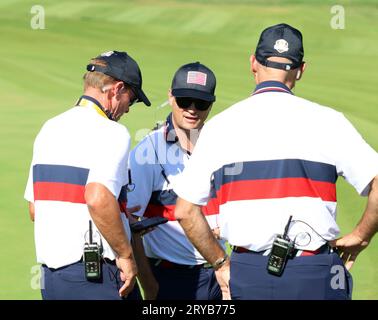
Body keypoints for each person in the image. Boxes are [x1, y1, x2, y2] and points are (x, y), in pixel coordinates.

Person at [174, 23, 378, 300]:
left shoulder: (220, 127)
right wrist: (361, 236)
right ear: (301, 69)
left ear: (253, 63)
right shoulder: (329, 121)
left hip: (248, 271)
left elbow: (185, 211)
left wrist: (221, 263)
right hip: (316, 272)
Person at [24, 50, 151, 300]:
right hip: (96, 277)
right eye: (132, 99)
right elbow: (97, 198)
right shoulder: (112, 132)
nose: (127, 109)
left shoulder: (49, 128)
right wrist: (126, 256)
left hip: (53, 279)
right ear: (116, 89)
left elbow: (35, 210)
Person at [127, 62, 224, 300]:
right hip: (169, 278)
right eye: (184, 101)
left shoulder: (223, 146)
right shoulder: (148, 150)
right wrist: (149, 285)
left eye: (200, 103)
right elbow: (130, 225)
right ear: (171, 97)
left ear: (211, 104)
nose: (192, 110)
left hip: (218, 275)